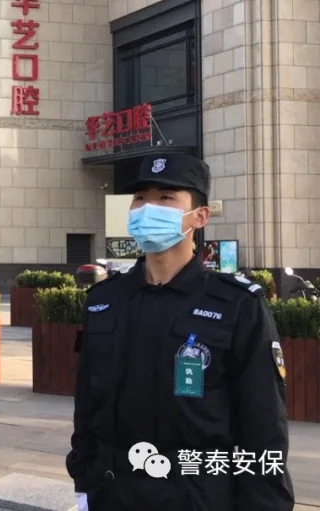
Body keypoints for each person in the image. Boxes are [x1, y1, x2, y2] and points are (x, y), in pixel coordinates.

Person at [66, 154, 294, 511]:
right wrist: (84, 480)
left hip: (196, 493)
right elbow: (87, 403)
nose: (148, 209)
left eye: (165, 197)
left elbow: (263, 424)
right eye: (140, 198)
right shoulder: (105, 300)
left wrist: (266, 504)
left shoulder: (236, 305)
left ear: (199, 216)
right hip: (113, 491)